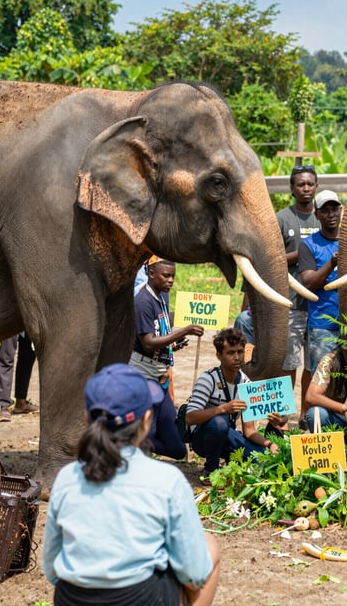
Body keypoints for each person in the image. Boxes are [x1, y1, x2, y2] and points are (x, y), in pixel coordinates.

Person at [42, 363, 220, 605]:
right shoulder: (167, 481)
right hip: (142, 598)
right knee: (209, 547)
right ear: (147, 421)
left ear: (87, 418)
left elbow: (52, 569)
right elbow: (194, 572)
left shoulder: (66, 478)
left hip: (73, 599)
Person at [131, 256, 204, 459]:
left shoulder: (160, 298)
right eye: (166, 275)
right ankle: (133, 449)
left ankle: (134, 444)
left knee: (178, 449)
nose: (170, 280)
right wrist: (184, 331)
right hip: (144, 376)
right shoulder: (143, 301)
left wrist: (171, 345)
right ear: (151, 274)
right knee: (148, 431)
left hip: (160, 376)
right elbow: (147, 342)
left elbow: (159, 338)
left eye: (172, 276)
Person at [186, 327, 280, 484]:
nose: (237, 357)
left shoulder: (245, 382)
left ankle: (231, 463)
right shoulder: (207, 379)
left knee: (263, 460)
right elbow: (190, 418)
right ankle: (211, 469)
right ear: (219, 355)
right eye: (230, 353)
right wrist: (223, 408)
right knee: (219, 421)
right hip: (202, 439)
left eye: (240, 352)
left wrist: (270, 444)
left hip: (228, 435)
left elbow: (249, 431)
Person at [276, 165, 321, 421]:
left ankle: (306, 413)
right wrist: (305, 251)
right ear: (292, 188)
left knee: (313, 364)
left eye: (310, 184)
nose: (306, 189)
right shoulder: (282, 219)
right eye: (300, 184)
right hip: (291, 303)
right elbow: (271, 259)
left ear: (316, 186)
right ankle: (282, 415)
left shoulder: (324, 218)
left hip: (319, 304)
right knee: (289, 363)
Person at [298, 190, 342, 376]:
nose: (331, 215)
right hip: (323, 326)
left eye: (334, 209)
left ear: (341, 210)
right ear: (316, 214)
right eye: (325, 211)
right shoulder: (309, 245)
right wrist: (332, 263)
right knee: (323, 380)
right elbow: (308, 283)